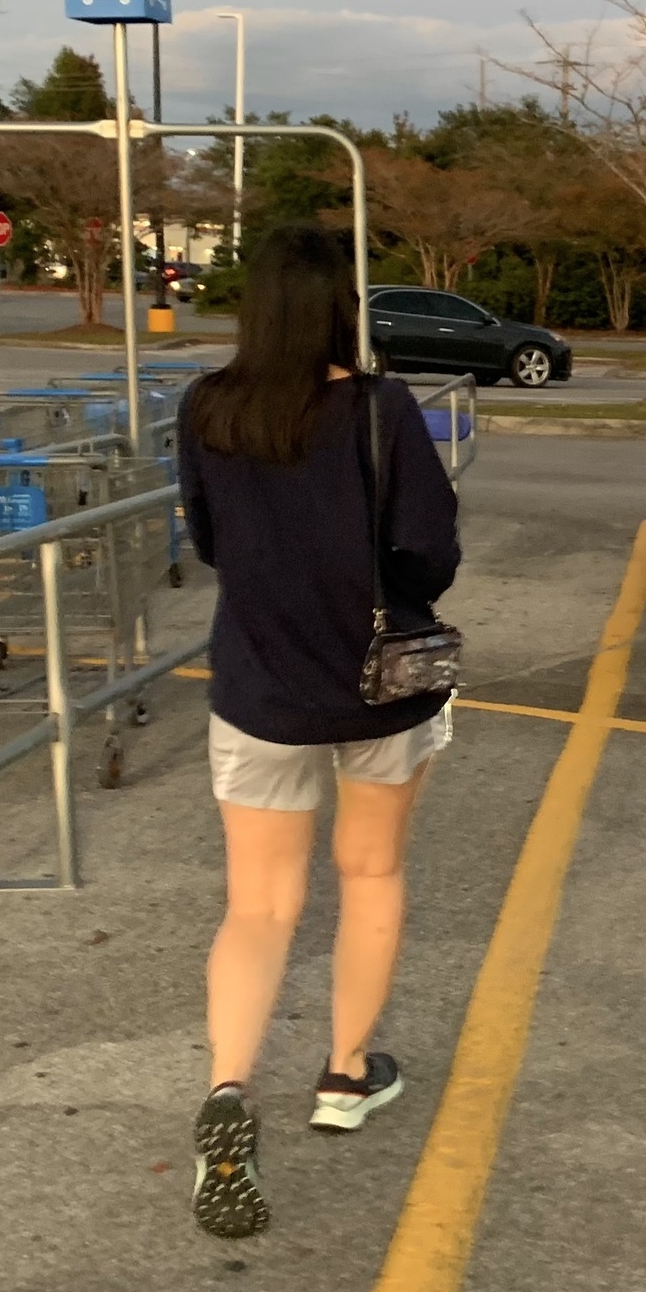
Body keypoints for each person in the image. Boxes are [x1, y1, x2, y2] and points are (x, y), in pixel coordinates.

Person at [176, 224, 462, 1240]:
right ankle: (344, 1074)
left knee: (258, 906)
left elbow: (209, 539)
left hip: (259, 686)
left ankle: (227, 1087)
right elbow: (428, 548)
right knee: (371, 873)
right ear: (345, 305)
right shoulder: (381, 409)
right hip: (379, 686)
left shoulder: (207, 406)